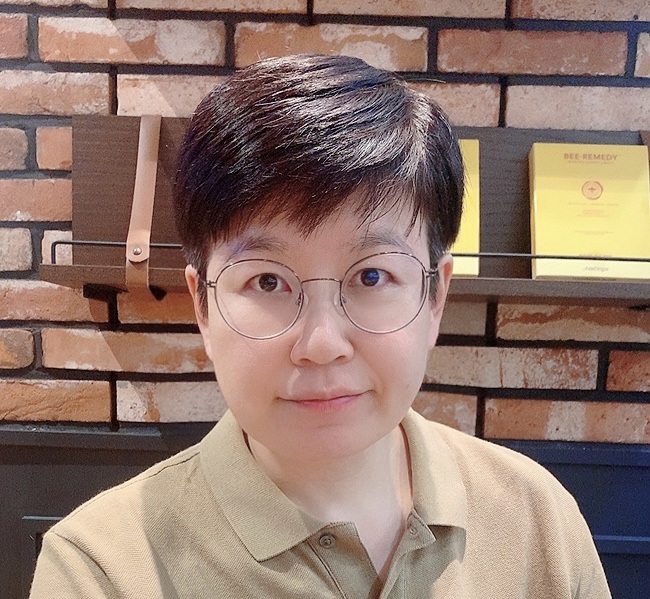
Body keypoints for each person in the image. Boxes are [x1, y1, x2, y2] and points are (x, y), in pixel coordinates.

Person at [30, 54, 610, 599]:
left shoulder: (538, 522)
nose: (322, 344)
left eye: (373, 276)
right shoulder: (101, 569)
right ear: (203, 307)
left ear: (435, 296)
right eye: (267, 281)